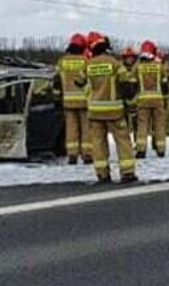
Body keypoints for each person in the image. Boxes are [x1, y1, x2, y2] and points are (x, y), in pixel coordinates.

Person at [75, 33, 136, 183]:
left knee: (98, 143)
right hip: (114, 111)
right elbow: (125, 84)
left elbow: (79, 81)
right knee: (123, 141)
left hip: (95, 111)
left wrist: (90, 92)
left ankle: (102, 174)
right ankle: (127, 172)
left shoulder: (88, 64)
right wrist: (129, 102)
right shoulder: (114, 63)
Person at [53, 33, 91, 164]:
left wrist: (57, 99)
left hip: (68, 101)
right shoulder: (85, 61)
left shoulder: (62, 61)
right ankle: (87, 155)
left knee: (71, 128)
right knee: (86, 128)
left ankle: (72, 155)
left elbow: (56, 81)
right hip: (84, 101)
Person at [134, 40, 169, 158]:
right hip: (158, 100)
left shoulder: (138, 68)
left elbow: (132, 85)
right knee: (159, 124)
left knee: (142, 126)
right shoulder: (159, 67)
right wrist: (165, 98)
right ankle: (161, 149)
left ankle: (141, 150)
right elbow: (165, 84)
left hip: (143, 100)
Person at [120, 46, 139, 150]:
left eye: (131, 58)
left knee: (137, 123)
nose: (130, 60)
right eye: (128, 58)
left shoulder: (137, 69)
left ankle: (138, 142)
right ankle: (126, 143)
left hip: (135, 101)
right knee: (124, 124)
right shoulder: (120, 69)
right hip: (123, 101)